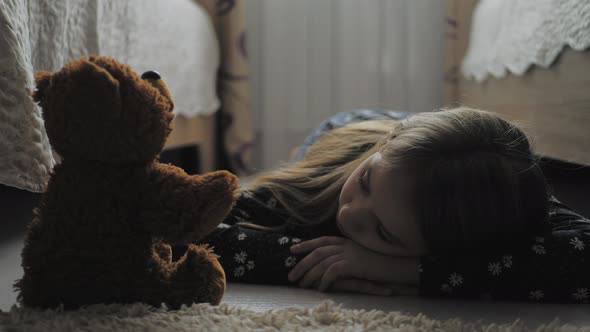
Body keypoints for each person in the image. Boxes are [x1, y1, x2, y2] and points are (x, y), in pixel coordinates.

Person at [185, 107, 590, 303]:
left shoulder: (506, 202)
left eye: (385, 233)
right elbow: (192, 227)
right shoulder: (315, 189)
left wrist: (402, 271)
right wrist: (313, 262)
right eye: (365, 185)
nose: (350, 215)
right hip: (354, 129)